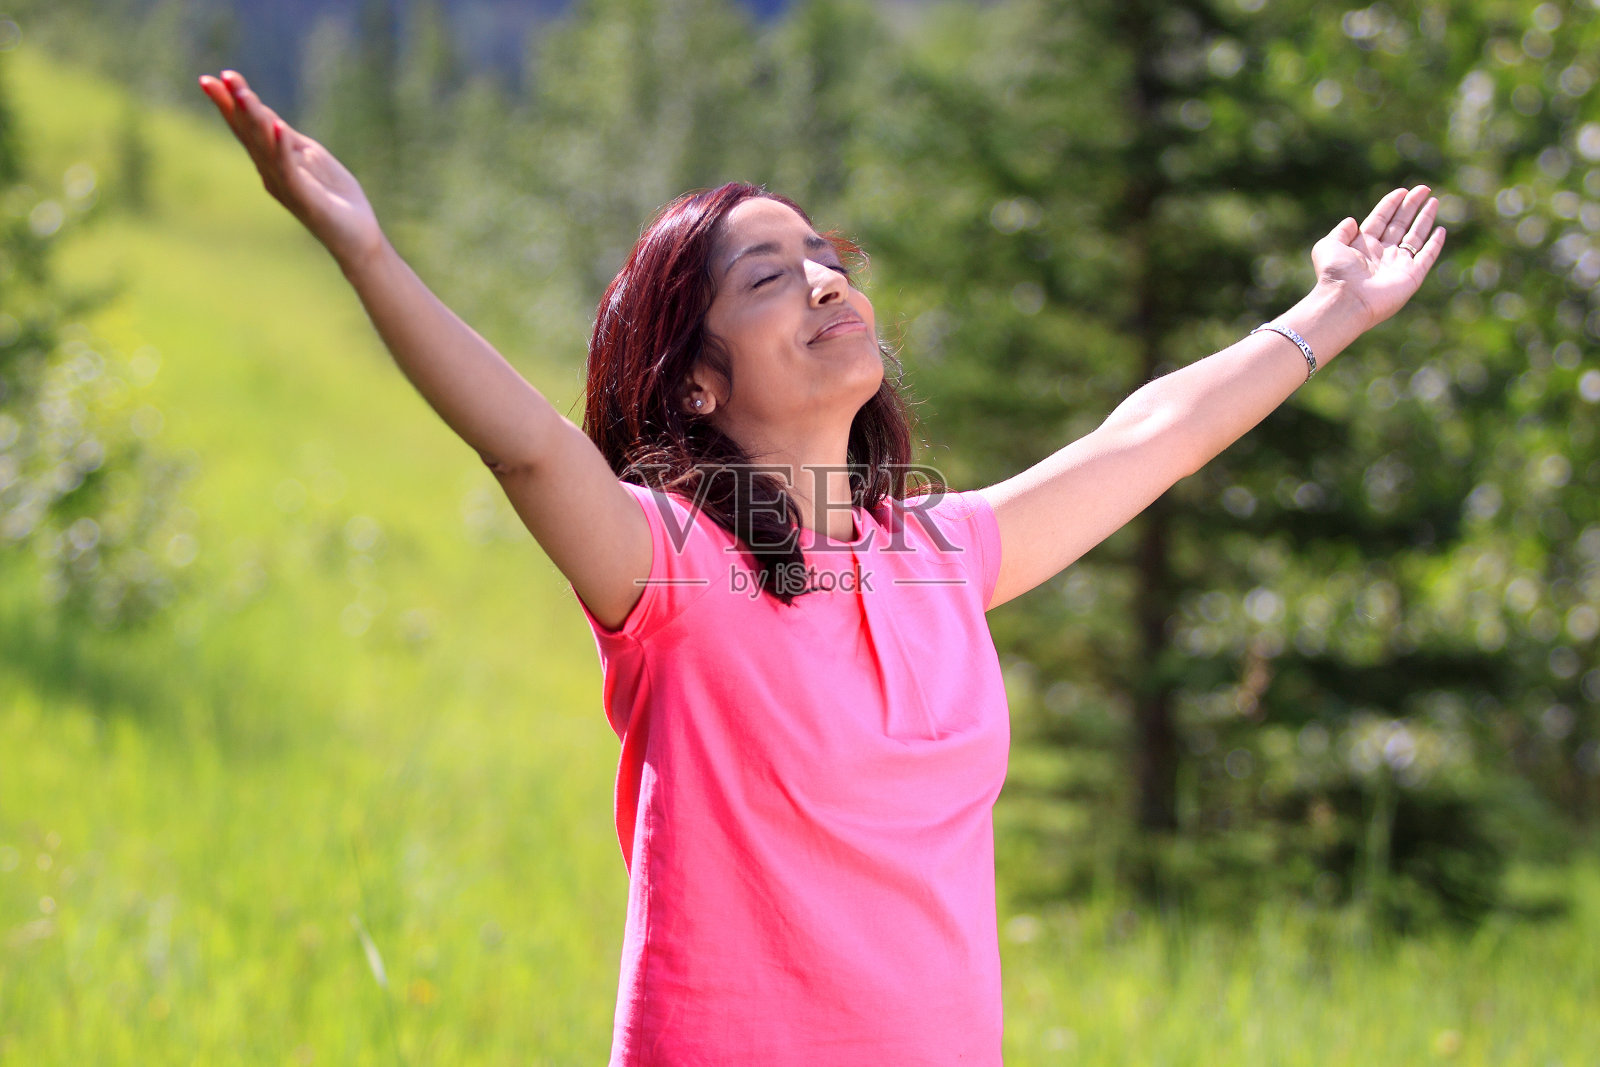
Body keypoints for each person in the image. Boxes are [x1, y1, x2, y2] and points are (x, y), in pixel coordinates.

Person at [198, 68, 1445, 1065]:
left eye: (821, 253)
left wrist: (1330, 309)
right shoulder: (675, 571)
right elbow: (525, 447)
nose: (821, 277)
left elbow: (1151, 436)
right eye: (766, 274)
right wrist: (363, 246)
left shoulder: (943, 556)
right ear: (697, 376)